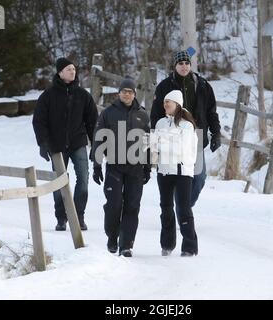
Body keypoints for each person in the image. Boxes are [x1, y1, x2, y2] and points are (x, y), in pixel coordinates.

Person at [33, 57, 98, 231]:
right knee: (59, 183)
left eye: (74, 69)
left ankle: (78, 216)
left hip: (78, 144)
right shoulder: (48, 95)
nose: (73, 71)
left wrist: (96, 145)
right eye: (69, 69)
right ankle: (61, 217)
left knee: (83, 180)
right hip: (57, 146)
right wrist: (43, 143)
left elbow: (92, 121)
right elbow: (39, 121)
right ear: (60, 72)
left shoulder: (83, 95)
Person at [150, 50, 221, 209]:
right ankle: (182, 211)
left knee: (199, 178)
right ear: (175, 66)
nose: (184, 66)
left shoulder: (202, 85)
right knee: (175, 177)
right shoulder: (165, 86)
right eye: (180, 63)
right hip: (172, 136)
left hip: (195, 136)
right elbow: (155, 114)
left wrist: (216, 133)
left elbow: (211, 112)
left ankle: (183, 208)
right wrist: (156, 139)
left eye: (187, 63)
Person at [91, 78, 151, 257]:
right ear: (119, 93)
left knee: (132, 206)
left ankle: (126, 245)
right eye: (124, 91)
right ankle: (112, 236)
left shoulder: (142, 115)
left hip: (136, 168)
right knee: (114, 205)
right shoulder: (108, 113)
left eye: (130, 92)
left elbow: (148, 143)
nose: (127, 94)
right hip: (114, 167)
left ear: (134, 94)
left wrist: (147, 167)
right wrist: (96, 165)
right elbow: (98, 139)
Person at [151, 90, 198, 257]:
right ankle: (167, 244)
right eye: (164, 102)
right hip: (164, 172)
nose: (165, 105)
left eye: (168, 102)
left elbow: (180, 150)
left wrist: (160, 143)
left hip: (182, 172)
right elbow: (153, 145)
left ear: (177, 104)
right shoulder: (160, 123)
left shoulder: (187, 125)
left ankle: (189, 247)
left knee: (183, 208)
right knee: (166, 208)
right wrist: (154, 149)